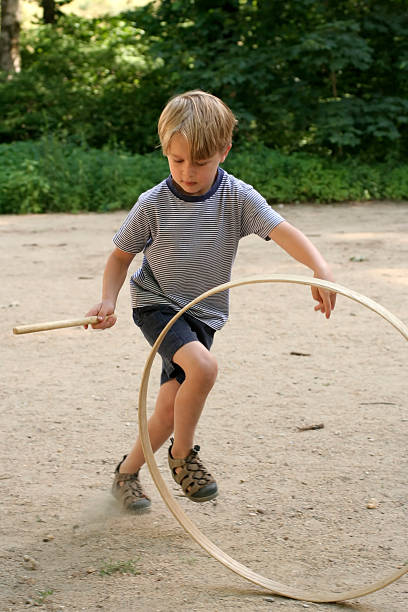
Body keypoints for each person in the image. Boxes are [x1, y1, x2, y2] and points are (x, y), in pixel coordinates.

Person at [86, 90, 336, 513]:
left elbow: (283, 230)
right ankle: (182, 458)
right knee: (203, 367)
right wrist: (107, 300)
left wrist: (320, 268)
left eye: (199, 162)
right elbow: (120, 257)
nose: (187, 172)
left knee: (168, 407)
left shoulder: (237, 197)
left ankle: (125, 474)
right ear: (166, 151)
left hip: (204, 312)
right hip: (158, 304)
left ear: (224, 151)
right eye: (177, 160)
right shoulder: (153, 204)